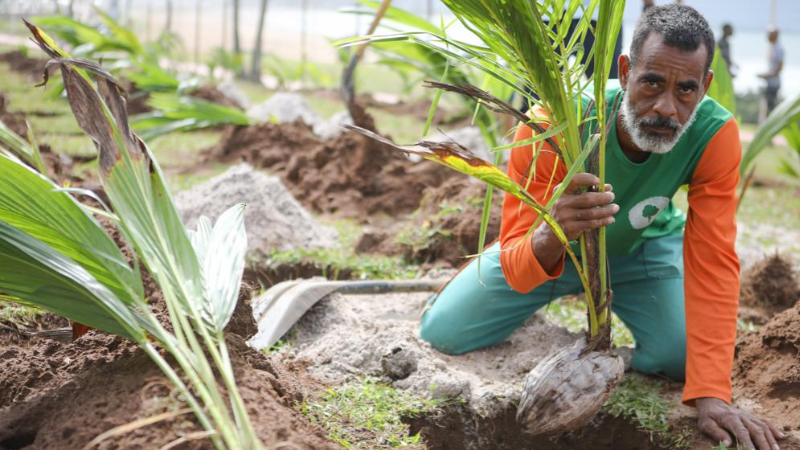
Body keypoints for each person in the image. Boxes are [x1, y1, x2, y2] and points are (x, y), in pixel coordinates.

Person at [419, 5, 785, 450]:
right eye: (652, 82)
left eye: (686, 90)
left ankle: (629, 353)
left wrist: (712, 394)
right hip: (553, 251)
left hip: (641, 253)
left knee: (681, 359)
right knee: (444, 332)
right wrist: (553, 232)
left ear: (704, 86)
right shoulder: (555, 123)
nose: (667, 107)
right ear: (626, 70)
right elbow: (517, 263)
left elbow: (714, 261)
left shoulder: (713, 134)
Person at [759, 27, 784, 114]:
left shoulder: (778, 48)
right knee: (769, 106)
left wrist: (766, 75)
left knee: (771, 108)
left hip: (774, 83)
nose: (768, 37)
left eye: (769, 35)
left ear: (775, 35)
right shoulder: (773, 47)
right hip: (770, 82)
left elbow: (779, 68)